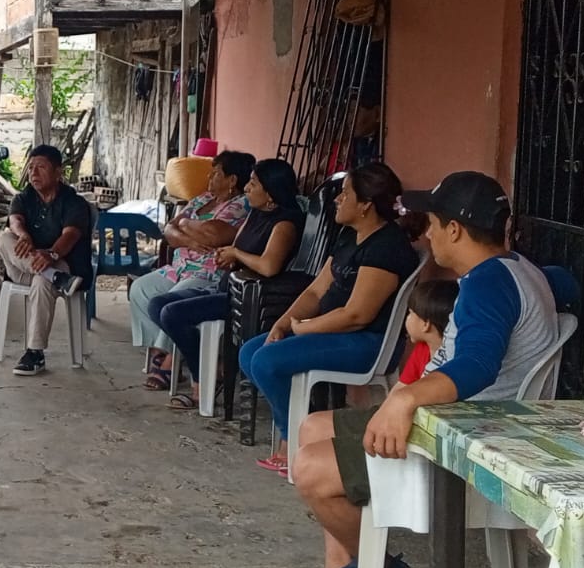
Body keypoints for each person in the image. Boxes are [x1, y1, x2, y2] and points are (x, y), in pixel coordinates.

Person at [291, 172, 558, 568]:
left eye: (433, 224)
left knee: (310, 469)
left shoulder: (488, 284)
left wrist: (406, 398)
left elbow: (477, 365)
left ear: (454, 229)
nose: (427, 234)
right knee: (315, 426)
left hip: (463, 439)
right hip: (457, 418)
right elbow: (563, 288)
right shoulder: (517, 268)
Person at [238, 162, 424, 475]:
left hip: (366, 342)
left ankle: (293, 439)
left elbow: (357, 315)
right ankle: (307, 424)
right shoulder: (350, 236)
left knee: (266, 362)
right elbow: (316, 291)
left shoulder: (386, 246)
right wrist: (283, 323)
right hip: (333, 332)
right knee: (249, 353)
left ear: (365, 205)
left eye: (345, 194)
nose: (337, 199)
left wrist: (306, 328)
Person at [152, 158, 301, 410]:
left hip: (252, 299)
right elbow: (237, 249)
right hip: (230, 286)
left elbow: (269, 266)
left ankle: (202, 385)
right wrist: (228, 258)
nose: (247, 188)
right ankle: (213, 368)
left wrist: (236, 254)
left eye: (253, 184)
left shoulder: (285, 224)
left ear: (270, 193)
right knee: (158, 305)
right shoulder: (256, 214)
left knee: (172, 314)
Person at [131, 150, 254, 390]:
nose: (209, 178)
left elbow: (214, 235)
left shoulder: (242, 204)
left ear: (232, 180)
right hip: (179, 267)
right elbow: (169, 230)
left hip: (208, 272)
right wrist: (189, 239)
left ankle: (170, 363)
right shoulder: (201, 199)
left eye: (216, 173)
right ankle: (160, 352)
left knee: (171, 300)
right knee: (140, 289)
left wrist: (186, 223)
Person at [0, 145, 94, 376]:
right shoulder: (23, 197)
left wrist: (52, 254)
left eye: (41, 167)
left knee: (41, 281)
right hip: (24, 268)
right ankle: (56, 278)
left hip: (61, 263)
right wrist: (24, 235)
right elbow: (15, 221)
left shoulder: (73, 202)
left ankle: (35, 353)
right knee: (4, 238)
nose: (33, 173)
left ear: (58, 172)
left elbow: (70, 235)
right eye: (31, 167)